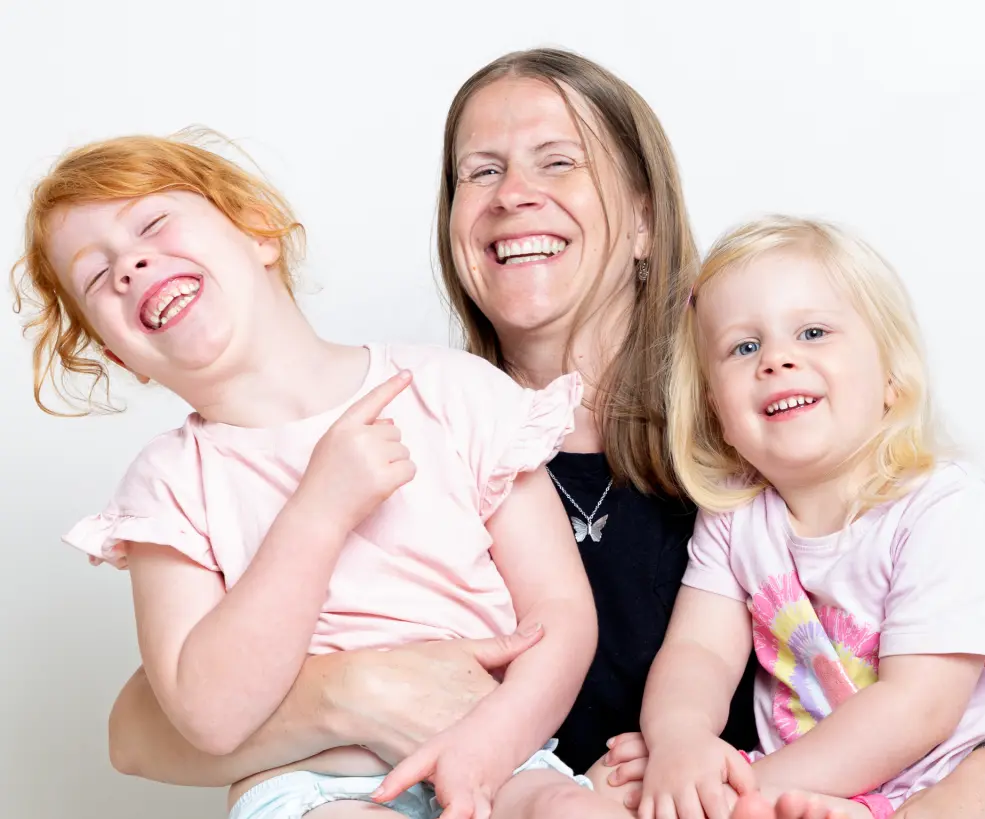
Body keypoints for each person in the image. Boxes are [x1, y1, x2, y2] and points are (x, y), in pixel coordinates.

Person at [63, 48, 985, 819]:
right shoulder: (419, 431)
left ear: (646, 218)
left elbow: (964, 626)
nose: (513, 193)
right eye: (480, 172)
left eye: (557, 161)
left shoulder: (763, 415)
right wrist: (347, 693)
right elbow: (137, 732)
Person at [12, 133, 649, 819]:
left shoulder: (454, 391)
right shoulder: (165, 487)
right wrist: (318, 510)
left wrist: (490, 745)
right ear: (117, 351)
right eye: (98, 277)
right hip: (316, 791)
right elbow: (208, 715)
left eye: (152, 223)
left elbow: (559, 613)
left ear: (259, 232)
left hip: (504, 756)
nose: (130, 264)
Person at [637, 215, 985, 819]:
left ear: (891, 377)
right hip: (809, 787)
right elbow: (698, 654)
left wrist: (746, 787)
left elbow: (918, 708)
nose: (777, 360)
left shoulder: (945, 508)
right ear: (716, 410)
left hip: (948, 783)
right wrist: (680, 741)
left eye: (813, 332)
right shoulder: (737, 517)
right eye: (744, 347)